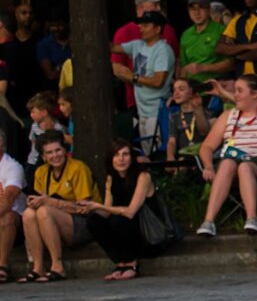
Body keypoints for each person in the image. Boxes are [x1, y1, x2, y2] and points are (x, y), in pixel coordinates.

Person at [196, 74, 257, 237]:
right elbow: (207, 146)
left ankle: (252, 218)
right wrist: (207, 165)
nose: (235, 95)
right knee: (227, 163)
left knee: (245, 167)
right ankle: (208, 221)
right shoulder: (228, 115)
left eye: (240, 91)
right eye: (235, 91)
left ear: (255, 94)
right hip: (231, 162)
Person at [18, 131, 98, 283]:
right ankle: (38, 267)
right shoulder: (40, 172)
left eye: (58, 150)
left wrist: (51, 203)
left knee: (44, 211)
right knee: (29, 213)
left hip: (84, 223)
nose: (55, 155)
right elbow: (41, 201)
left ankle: (57, 266)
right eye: (49, 152)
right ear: (43, 157)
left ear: (65, 150)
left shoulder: (78, 168)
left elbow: (84, 208)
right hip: (54, 223)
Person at [79, 140, 161, 280]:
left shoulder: (143, 176)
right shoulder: (111, 178)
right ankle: (120, 263)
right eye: (116, 155)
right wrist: (90, 209)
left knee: (119, 220)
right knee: (94, 221)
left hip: (148, 234)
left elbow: (130, 212)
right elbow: (107, 210)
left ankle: (132, 264)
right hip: (123, 229)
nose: (121, 159)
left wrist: (98, 206)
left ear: (132, 157)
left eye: (125, 154)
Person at [110, 11, 175, 151]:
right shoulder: (138, 45)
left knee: (158, 152)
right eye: (141, 25)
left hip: (157, 111)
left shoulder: (163, 50)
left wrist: (131, 77)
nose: (141, 28)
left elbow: (158, 82)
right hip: (142, 111)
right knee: (147, 153)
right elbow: (113, 48)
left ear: (157, 29)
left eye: (145, 25)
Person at [109, 0, 180, 115]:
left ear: (158, 29)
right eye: (155, 4)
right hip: (135, 102)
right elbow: (117, 68)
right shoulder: (124, 33)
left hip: (163, 102)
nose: (159, 8)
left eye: (160, 5)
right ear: (140, 7)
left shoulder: (167, 29)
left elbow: (176, 60)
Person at [178, 0, 228, 83]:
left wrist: (204, 68)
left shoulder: (222, 31)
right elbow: (184, 67)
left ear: (208, 10)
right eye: (192, 9)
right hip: (192, 90)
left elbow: (231, 63)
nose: (197, 13)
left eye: (200, 8)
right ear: (188, 12)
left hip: (215, 88)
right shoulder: (186, 35)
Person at [164, 79, 211, 164]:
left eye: (181, 89)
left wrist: (198, 109)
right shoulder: (174, 117)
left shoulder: (206, 113)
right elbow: (172, 141)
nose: (176, 93)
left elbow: (204, 131)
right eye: (174, 90)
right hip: (182, 157)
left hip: (202, 157)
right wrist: (170, 157)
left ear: (191, 92)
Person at [0, 127, 26, 282]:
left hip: (16, 223)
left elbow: (7, 200)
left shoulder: (12, 167)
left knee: (7, 217)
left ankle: (2, 266)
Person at [24, 92, 65, 173]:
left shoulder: (58, 128)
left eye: (33, 112)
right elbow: (32, 141)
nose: (31, 115)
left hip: (52, 163)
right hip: (33, 163)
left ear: (44, 113)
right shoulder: (34, 126)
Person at [35, 9, 70, 88]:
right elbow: (50, 75)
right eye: (53, 25)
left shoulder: (75, 42)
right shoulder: (44, 44)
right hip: (55, 88)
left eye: (60, 25)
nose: (57, 29)